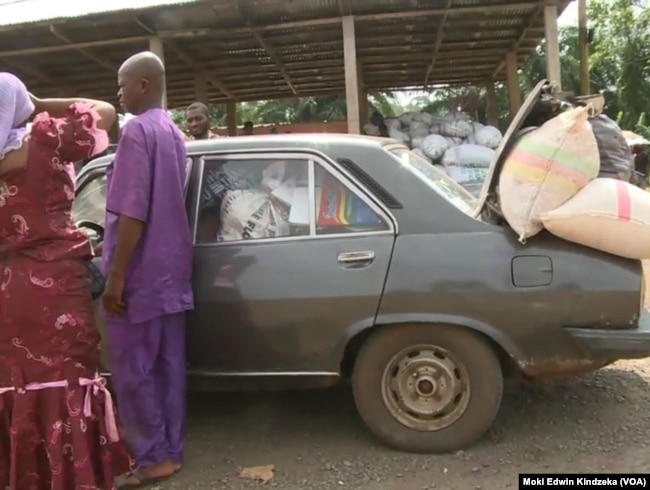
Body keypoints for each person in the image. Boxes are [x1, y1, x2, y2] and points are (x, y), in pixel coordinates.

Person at [0, 73, 132, 489]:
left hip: (8, 290)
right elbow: (107, 113)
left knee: (18, 391)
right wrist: (40, 101)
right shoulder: (47, 138)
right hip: (57, 288)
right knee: (67, 391)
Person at [102, 51, 194, 487]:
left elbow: (132, 212)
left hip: (139, 274)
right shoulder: (174, 132)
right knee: (168, 367)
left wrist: (116, 276)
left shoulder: (137, 131)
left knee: (134, 370)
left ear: (143, 84)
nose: (117, 93)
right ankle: (171, 451)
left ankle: (152, 457)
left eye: (121, 85)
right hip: (171, 270)